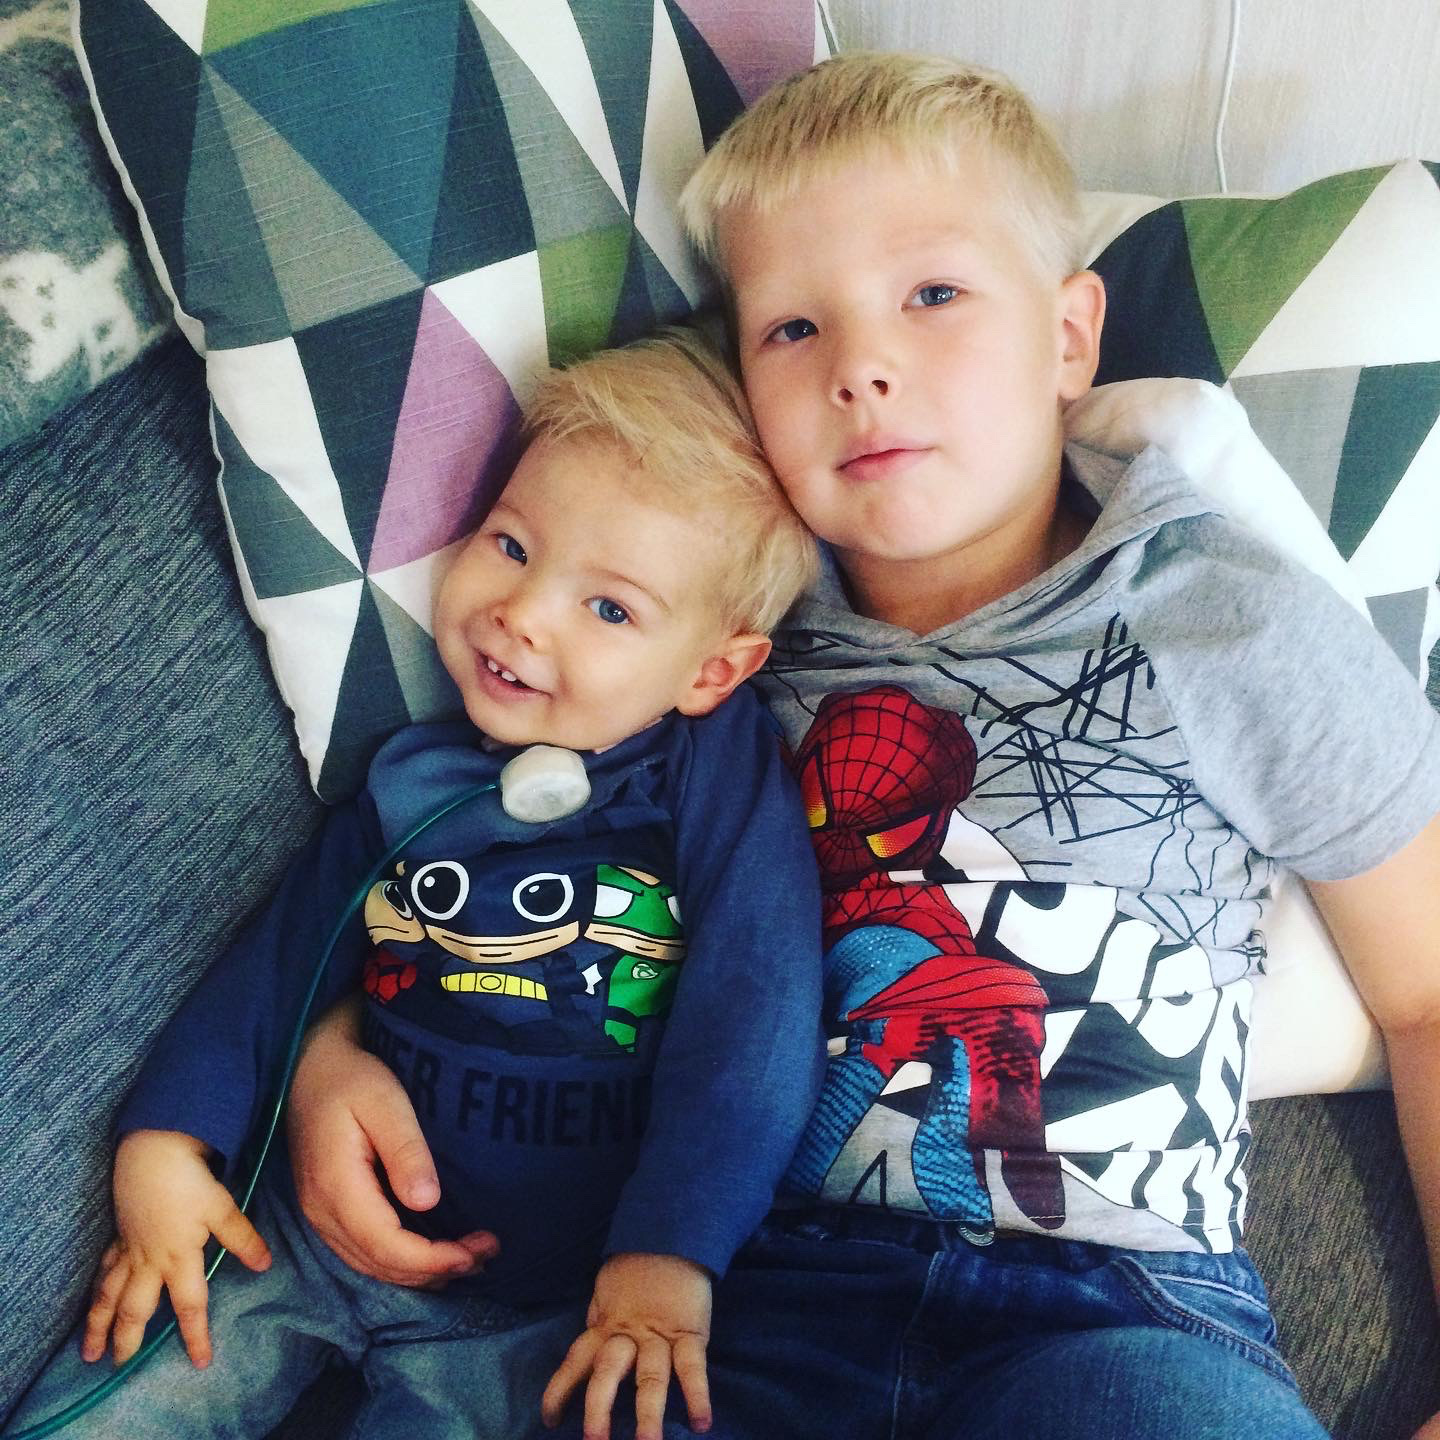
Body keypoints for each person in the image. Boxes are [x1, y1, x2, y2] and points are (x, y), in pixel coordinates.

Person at [282, 52, 1440, 1440]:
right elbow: (461, 863)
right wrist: (322, 1051)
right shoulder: (711, 642)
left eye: (934, 294)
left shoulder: (1221, 618)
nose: (862, 369)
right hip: (745, 1297)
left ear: (1069, 338)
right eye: (792, 328)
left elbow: (1430, 992)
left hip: (1120, 1312)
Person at [2, 329, 826, 1440]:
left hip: (536, 1309)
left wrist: (666, 1256)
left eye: (611, 609)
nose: (523, 612)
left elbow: (756, 1013)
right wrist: (167, 1144)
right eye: (511, 544)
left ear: (714, 670)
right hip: (295, 1237)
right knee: (125, 1393)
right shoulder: (413, 780)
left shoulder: (710, 778)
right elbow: (280, 965)